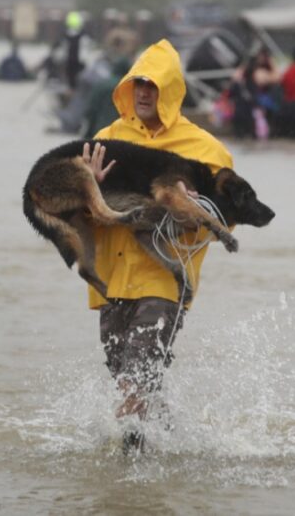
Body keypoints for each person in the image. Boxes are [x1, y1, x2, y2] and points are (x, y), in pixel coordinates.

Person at [83, 39, 234, 443]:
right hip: (111, 284)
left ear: (171, 90)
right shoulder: (105, 139)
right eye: (139, 84)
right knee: (133, 384)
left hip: (165, 283)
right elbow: (76, 218)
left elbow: (227, 219)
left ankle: (129, 481)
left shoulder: (204, 149)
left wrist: (188, 206)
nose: (145, 93)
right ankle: (174, 444)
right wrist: (92, 192)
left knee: (134, 385)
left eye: (154, 85)